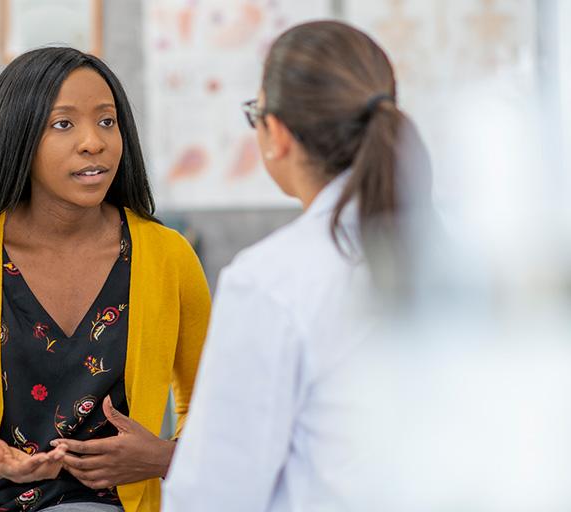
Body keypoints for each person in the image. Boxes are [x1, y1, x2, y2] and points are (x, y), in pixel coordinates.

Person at [0, 47, 211, 512]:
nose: (94, 142)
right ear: (18, 137)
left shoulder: (168, 256)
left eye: (107, 121)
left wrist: (163, 458)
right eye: (63, 124)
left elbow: (218, 415)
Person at [162, 20, 434, 510]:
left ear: (277, 135)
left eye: (256, 114)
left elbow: (215, 493)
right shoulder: (457, 248)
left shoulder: (270, 281)